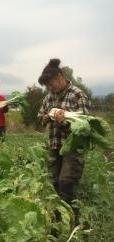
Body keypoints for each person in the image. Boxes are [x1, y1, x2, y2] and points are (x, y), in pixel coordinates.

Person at [37, 58, 90, 215]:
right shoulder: (49, 97)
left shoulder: (77, 95)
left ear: (59, 76)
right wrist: (45, 118)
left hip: (72, 149)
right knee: (53, 185)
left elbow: (86, 126)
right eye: (47, 85)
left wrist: (65, 122)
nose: (50, 87)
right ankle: (58, 222)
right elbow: (40, 116)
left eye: (50, 83)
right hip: (55, 147)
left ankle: (74, 224)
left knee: (67, 186)